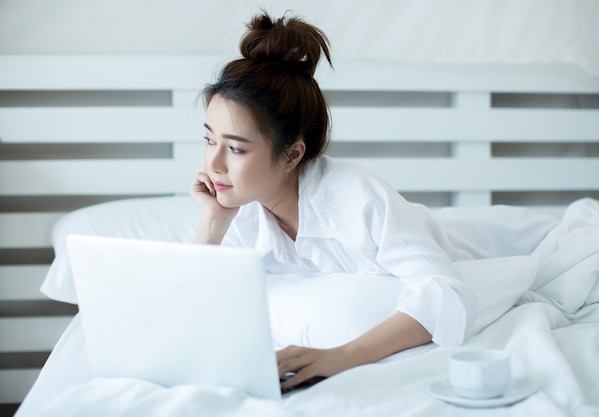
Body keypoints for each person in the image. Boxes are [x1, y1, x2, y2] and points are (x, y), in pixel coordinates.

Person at [190, 11, 477, 391]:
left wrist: (342, 356)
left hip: (471, 244)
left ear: (292, 155)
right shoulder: (239, 213)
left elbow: (448, 293)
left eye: (237, 149)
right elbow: (192, 313)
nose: (214, 164)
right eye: (210, 140)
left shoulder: (354, 196)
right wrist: (212, 225)